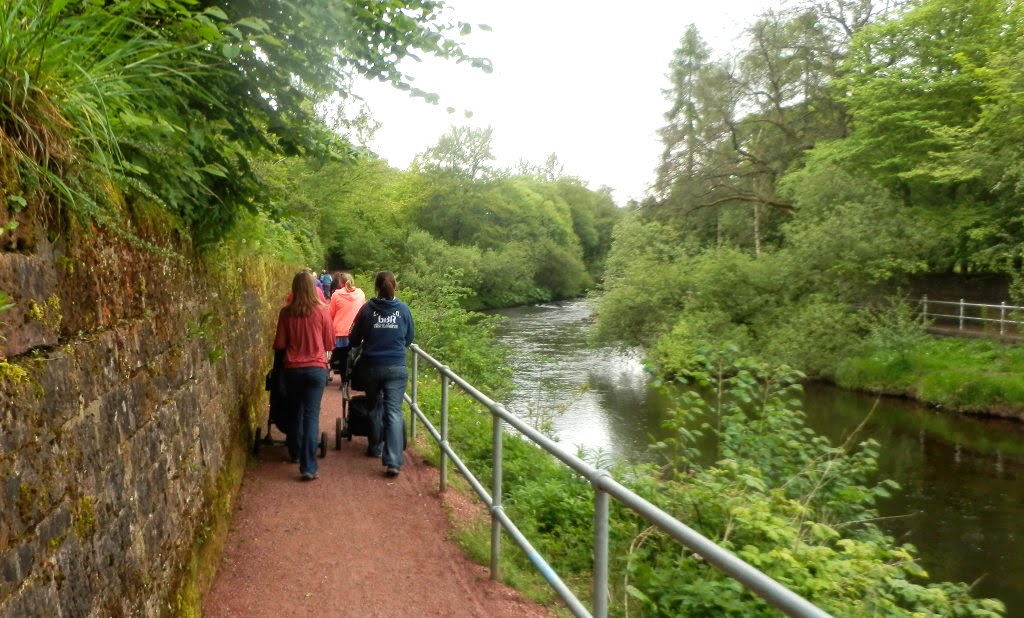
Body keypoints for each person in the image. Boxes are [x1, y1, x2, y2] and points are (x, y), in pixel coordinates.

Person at [349, 271, 415, 477]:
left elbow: (353, 339)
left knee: (375, 404)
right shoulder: (403, 310)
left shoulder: (367, 309)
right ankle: (394, 461)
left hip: (372, 366)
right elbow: (409, 338)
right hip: (396, 367)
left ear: (376, 288)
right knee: (394, 411)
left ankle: (375, 447)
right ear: (395, 287)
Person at [273, 270, 334, 481]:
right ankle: (308, 466)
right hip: (316, 368)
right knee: (311, 416)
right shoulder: (322, 311)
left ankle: (295, 453)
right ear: (312, 287)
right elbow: (329, 343)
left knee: (295, 412)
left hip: (293, 369)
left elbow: (279, 344)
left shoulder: (286, 313)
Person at [328, 272, 365, 382]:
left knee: (341, 357)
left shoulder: (336, 295)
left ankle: (344, 379)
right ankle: (352, 375)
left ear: (341, 283)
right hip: (357, 332)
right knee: (355, 356)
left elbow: (330, 314)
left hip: (340, 333)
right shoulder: (361, 294)